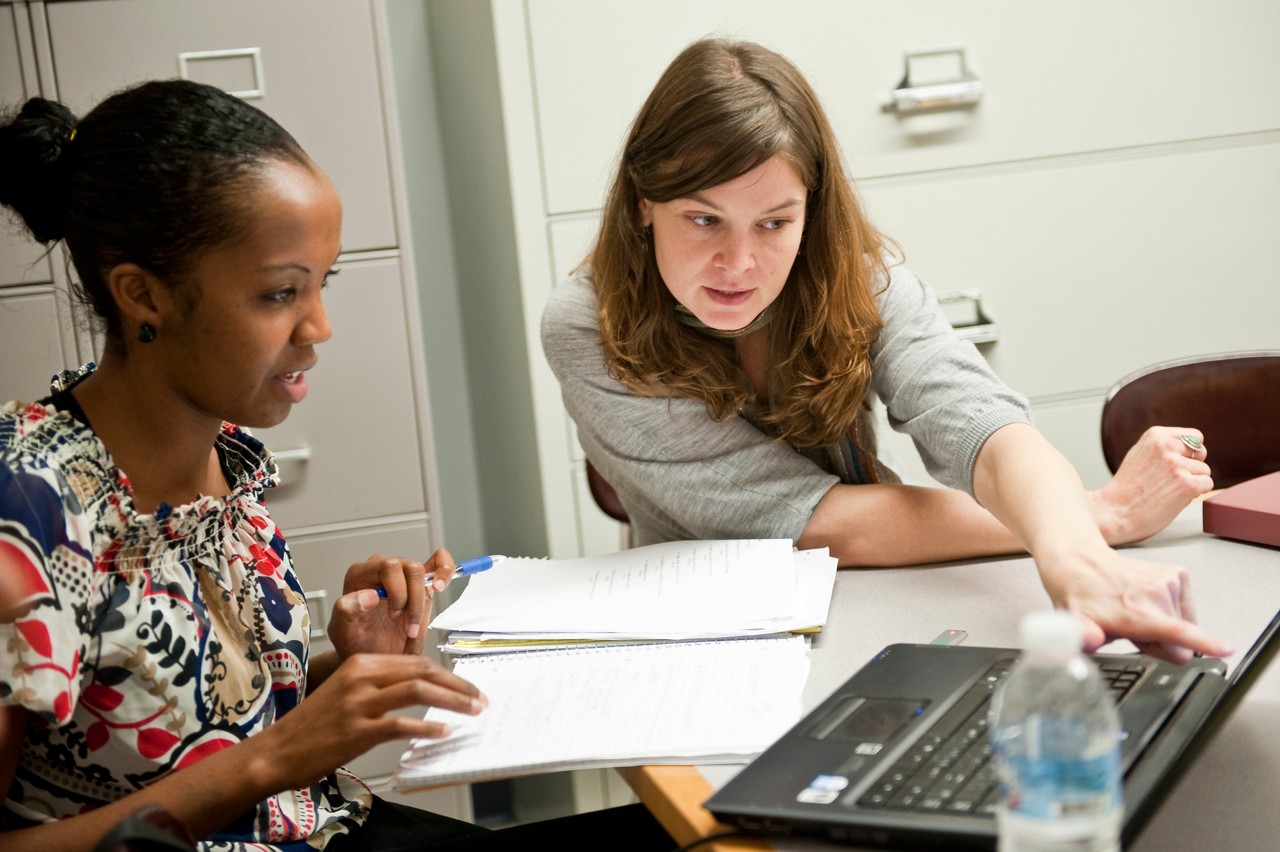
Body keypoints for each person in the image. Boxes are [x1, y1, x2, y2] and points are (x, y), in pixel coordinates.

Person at [0, 81, 673, 851]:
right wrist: (278, 757)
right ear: (142, 293)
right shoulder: (29, 501)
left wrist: (345, 668)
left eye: (323, 284)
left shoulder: (221, 454)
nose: (319, 327)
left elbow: (219, 723)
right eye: (282, 293)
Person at [541, 37, 1231, 666]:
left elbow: (979, 422)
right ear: (642, 203)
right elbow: (823, 526)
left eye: (775, 222)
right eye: (702, 219)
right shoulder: (585, 326)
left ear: (810, 210)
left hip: (880, 604)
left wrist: (1076, 560)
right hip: (711, 638)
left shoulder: (863, 282)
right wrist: (1098, 514)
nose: (739, 263)